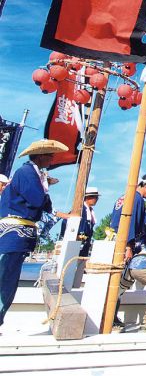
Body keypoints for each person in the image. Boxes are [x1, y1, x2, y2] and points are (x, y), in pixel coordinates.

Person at [0, 139, 68, 328]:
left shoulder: (29, 173)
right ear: (40, 156)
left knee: (7, 277)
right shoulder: (27, 173)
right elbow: (39, 200)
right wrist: (45, 185)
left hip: (16, 234)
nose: (52, 159)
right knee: (5, 277)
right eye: (50, 155)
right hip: (14, 233)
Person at [108, 174, 146, 261]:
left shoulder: (125, 196)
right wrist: (128, 247)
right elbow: (130, 223)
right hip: (123, 241)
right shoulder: (137, 199)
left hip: (114, 237)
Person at [56, 186, 99, 256]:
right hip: (76, 246)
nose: (97, 199)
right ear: (88, 198)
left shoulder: (89, 211)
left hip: (83, 246)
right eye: (95, 197)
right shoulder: (79, 210)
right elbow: (65, 221)